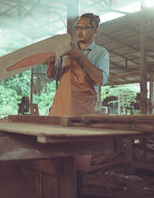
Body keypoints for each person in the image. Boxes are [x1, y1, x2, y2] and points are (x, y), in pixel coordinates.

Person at [46, 13, 110, 198]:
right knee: (54, 158)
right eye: (78, 28)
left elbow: (100, 79)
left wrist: (79, 57)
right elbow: (51, 75)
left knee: (77, 160)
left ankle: (74, 193)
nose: (79, 32)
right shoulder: (67, 50)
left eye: (84, 28)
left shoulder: (100, 53)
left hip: (81, 112)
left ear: (95, 30)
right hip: (60, 109)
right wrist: (52, 61)